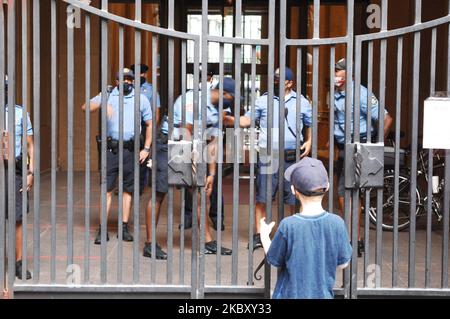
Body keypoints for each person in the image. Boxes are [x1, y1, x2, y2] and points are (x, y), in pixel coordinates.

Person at [143, 78, 236, 259]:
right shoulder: (192, 100)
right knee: (159, 194)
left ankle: (207, 242)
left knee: (201, 192)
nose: (230, 102)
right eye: (231, 97)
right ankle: (149, 244)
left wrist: (211, 174)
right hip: (170, 144)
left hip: (193, 146)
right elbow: (185, 133)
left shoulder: (218, 111)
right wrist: (193, 165)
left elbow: (213, 143)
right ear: (223, 93)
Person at [224, 67, 312, 252]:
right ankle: (259, 235)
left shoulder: (302, 102)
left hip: (292, 155)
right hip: (268, 155)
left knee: (293, 198)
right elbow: (247, 121)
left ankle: (291, 235)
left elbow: (309, 123)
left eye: (280, 79)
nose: (276, 81)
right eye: (275, 77)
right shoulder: (263, 100)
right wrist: (230, 120)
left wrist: (310, 140)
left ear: (290, 83)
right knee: (263, 196)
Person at [259, 157, 352, 299]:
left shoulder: (288, 225)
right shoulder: (337, 223)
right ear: (327, 187)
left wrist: (265, 236)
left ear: (293, 190)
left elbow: (274, 260)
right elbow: (343, 263)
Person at [82, 68, 153, 244]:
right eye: (123, 79)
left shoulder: (141, 99)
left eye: (130, 79)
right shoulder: (108, 94)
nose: (127, 82)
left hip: (131, 150)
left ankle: (123, 227)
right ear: (117, 81)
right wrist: (102, 103)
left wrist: (146, 148)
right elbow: (85, 108)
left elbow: (150, 124)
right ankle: (102, 229)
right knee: (106, 189)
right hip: (111, 150)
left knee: (128, 190)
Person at [333, 58, 393, 257]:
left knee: (347, 194)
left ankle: (353, 239)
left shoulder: (361, 93)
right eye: (335, 71)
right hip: (343, 148)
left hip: (357, 148)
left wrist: (373, 147)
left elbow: (386, 118)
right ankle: (354, 238)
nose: (336, 75)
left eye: (339, 72)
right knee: (346, 195)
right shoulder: (336, 93)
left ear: (349, 74)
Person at [3, 75, 34, 279]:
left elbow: (30, 145)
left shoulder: (20, 113)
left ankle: (18, 263)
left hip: (14, 170)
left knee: (17, 219)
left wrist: (31, 171)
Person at [129, 64, 161, 194]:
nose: (140, 76)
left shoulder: (151, 90)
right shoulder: (128, 88)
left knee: (143, 156)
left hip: (145, 126)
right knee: (128, 155)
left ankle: (140, 186)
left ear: (145, 74)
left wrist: (152, 128)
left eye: (142, 73)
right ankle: (127, 183)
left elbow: (156, 111)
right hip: (129, 126)